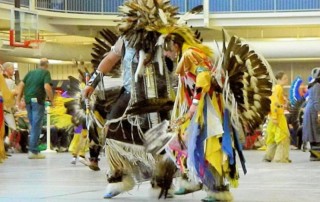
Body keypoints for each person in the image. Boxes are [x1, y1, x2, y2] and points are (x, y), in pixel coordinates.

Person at [16, 58, 54, 159]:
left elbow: (21, 85)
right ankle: (33, 150)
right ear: (47, 65)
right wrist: (51, 99)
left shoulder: (30, 73)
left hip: (29, 101)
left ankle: (34, 149)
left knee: (33, 125)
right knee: (36, 126)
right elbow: (47, 87)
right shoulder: (46, 73)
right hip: (38, 101)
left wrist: (18, 100)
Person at [263, 71, 291, 163]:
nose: (286, 80)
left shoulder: (276, 88)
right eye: (284, 79)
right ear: (278, 80)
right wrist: (275, 116)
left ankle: (268, 156)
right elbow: (274, 102)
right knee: (283, 136)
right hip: (278, 116)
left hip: (273, 116)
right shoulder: (278, 88)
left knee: (272, 137)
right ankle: (281, 158)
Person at [302, 67, 320, 161]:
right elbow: (317, 101)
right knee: (316, 132)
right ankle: (315, 155)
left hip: (311, 110)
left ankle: (314, 155)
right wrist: (319, 113)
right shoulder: (317, 85)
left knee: (314, 133)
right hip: (314, 111)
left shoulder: (313, 84)